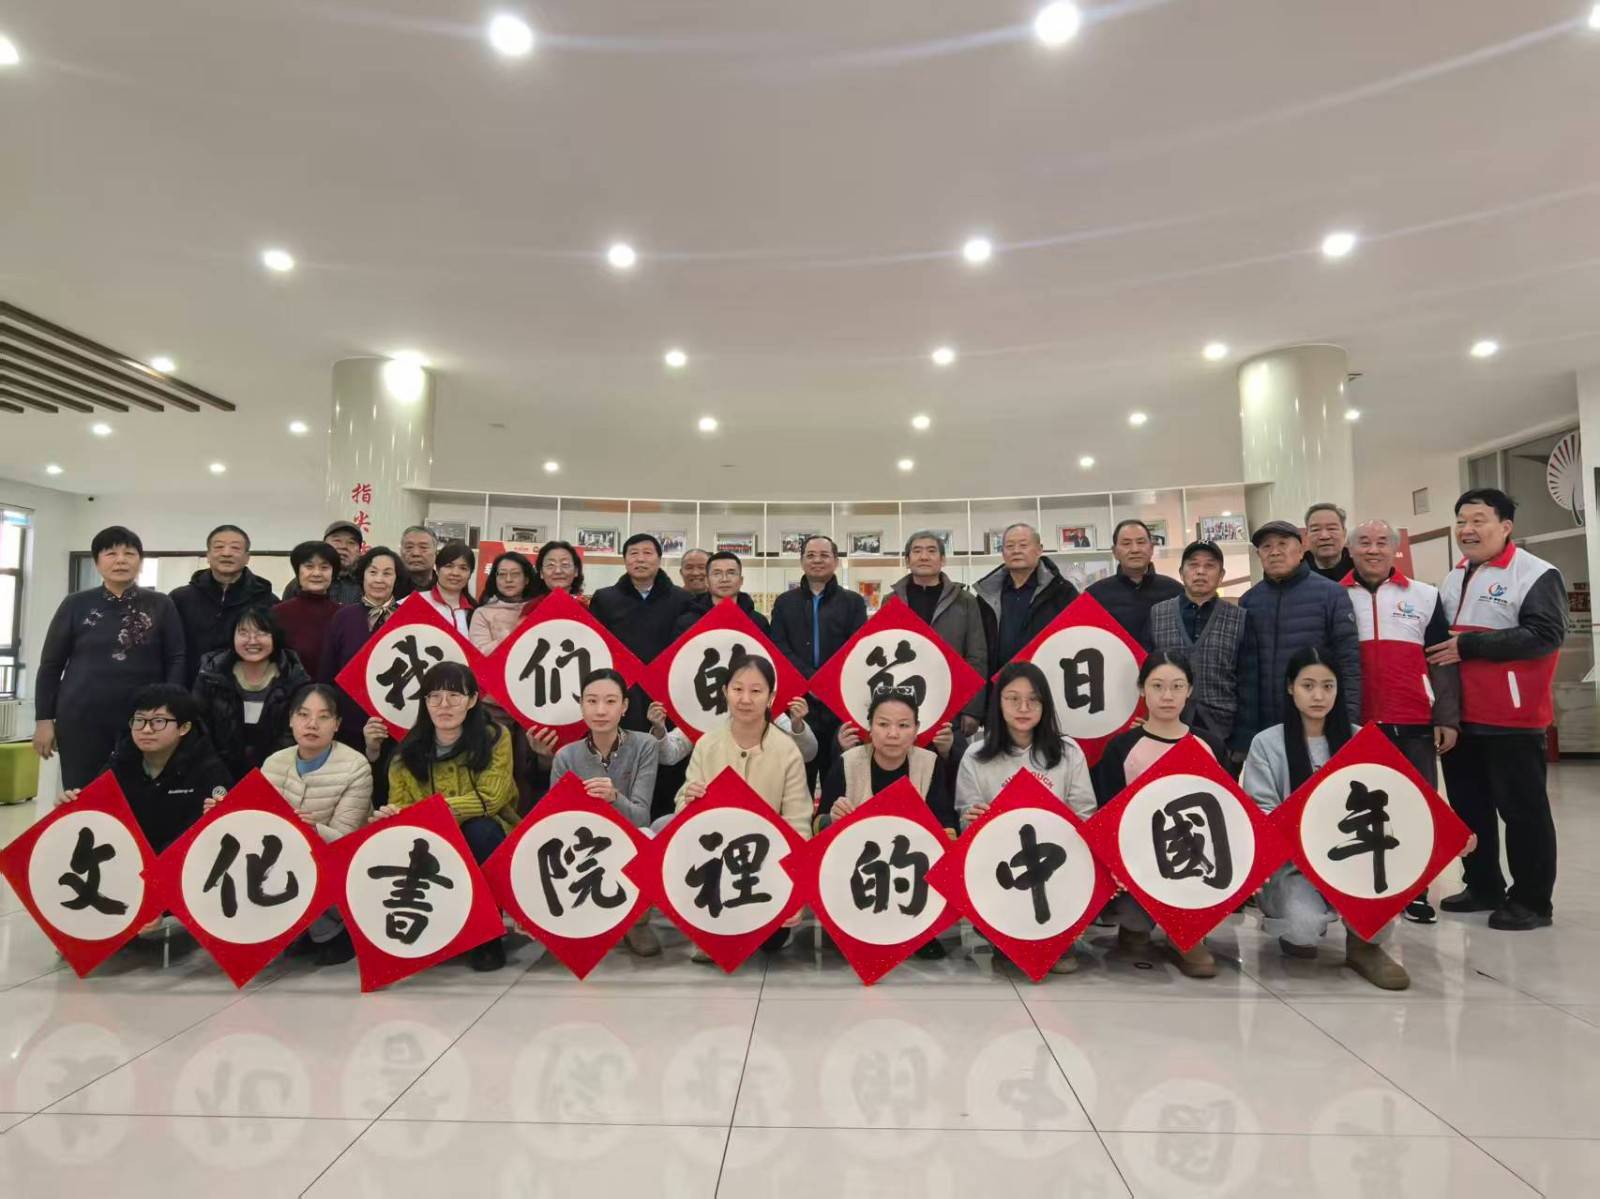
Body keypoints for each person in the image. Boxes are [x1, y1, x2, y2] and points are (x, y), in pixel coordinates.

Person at [1432, 488, 1566, 931]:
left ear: (1506, 527)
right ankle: (1483, 884)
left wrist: (1470, 645)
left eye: (1478, 520)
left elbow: (1545, 634)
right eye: (1461, 521)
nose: (1467, 530)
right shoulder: (1455, 575)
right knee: (1470, 810)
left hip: (1512, 718)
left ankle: (1532, 901)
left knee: (1523, 812)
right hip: (1462, 719)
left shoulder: (1535, 573)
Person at [1242, 648, 1409, 989]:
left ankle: (1364, 946)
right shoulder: (1267, 743)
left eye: (1327, 686)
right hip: (1293, 864)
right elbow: (1261, 811)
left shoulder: (1360, 739)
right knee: (1301, 931)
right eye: (1308, 685)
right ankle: (1292, 919)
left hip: (1355, 858)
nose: (1318, 696)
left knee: (1376, 913)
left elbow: (1396, 802)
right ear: (1290, 687)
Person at [1345, 518, 1460, 923]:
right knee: (1357, 810)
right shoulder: (1335, 596)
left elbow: (1442, 660)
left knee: (1415, 809)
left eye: (1381, 542)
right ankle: (1363, 888)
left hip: (1414, 721)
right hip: (1356, 724)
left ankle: (1415, 892)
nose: (1372, 549)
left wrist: (1446, 716)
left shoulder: (1425, 595)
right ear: (1351, 550)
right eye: (1364, 542)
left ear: (1394, 548)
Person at [954, 661, 1094, 974]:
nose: (1023, 708)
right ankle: (1004, 933)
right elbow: (966, 820)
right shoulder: (975, 755)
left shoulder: (1068, 752)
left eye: (1033, 700)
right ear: (998, 703)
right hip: (1002, 865)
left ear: (1045, 705)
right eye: (1013, 698)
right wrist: (972, 819)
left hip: (1057, 861)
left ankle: (1059, 933)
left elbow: (1085, 814)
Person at [1093, 651, 1227, 978]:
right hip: (1138, 862)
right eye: (1157, 686)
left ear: (1189, 690)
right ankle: (1136, 924)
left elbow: (1225, 818)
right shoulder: (1121, 748)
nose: (1167, 696)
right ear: (1142, 690)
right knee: (1133, 921)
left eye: (1177, 686)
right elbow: (1106, 817)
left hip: (1194, 859)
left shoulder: (1210, 745)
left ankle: (1188, 934)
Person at [377, 662, 517, 971]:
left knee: (480, 831)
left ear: (472, 699)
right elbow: (401, 809)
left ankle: (488, 934)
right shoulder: (405, 754)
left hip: (486, 830)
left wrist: (433, 812)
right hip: (429, 839)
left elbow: (492, 798)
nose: (444, 705)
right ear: (424, 702)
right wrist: (392, 815)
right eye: (434, 696)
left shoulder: (495, 737)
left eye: (454, 696)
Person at [672, 653, 811, 959]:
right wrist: (688, 800)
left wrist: (796, 890)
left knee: (770, 942)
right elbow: (683, 807)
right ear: (725, 692)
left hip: (766, 860)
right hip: (715, 858)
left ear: (771, 697)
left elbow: (798, 823)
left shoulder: (787, 750)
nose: (745, 699)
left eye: (756, 691)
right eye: (737, 689)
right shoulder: (707, 744)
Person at [33, 526, 187, 789]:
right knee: (83, 793)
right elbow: (50, 666)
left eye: (129, 553)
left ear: (140, 561)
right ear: (97, 562)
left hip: (144, 719)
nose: (121, 560)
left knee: (139, 792)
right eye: (111, 553)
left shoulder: (160, 604)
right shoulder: (75, 604)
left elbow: (177, 658)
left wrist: (171, 711)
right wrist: (44, 720)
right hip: (81, 717)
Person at [821, 687, 952, 959]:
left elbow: (946, 826)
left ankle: (919, 928)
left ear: (916, 730)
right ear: (870, 727)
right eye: (883, 724)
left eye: (903, 725)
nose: (893, 734)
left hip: (911, 872)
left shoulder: (929, 764)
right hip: (859, 870)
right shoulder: (848, 763)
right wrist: (832, 819)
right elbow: (818, 825)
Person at [256, 683, 372, 965]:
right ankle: (297, 929)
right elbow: (257, 823)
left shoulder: (355, 766)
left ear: (337, 724)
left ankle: (334, 932)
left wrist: (313, 830)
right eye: (303, 715)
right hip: (283, 859)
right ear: (291, 720)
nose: (312, 724)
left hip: (336, 862)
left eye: (323, 717)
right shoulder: (273, 763)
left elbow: (346, 840)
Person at [549, 669, 662, 957]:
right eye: (592, 701)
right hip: (582, 845)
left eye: (610, 701)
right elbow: (555, 822)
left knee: (650, 835)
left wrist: (614, 797)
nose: (600, 710)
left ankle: (638, 922)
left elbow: (641, 817)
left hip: (628, 836)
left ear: (624, 706)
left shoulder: (645, 745)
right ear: (581, 706)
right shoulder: (565, 756)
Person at [57, 684, 230, 856]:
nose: (146, 730)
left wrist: (216, 815)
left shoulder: (208, 769)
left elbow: (220, 832)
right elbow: (97, 817)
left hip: (182, 861)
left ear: (184, 728)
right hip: (127, 858)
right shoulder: (120, 762)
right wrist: (73, 807)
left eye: (158, 721)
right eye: (139, 720)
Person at [1234, 520, 1361, 753]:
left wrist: (1348, 720)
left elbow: (1349, 662)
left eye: (1283, 544)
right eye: (1266, 546)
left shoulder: (1332, 594)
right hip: (1266, 730)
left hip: (1318, 723)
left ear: (1301, 550)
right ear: (1259, 554)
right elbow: (1246, 673)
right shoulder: (1249, 601)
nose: (1274, 552)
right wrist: (1244, 737)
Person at [770, 534, 869, 787]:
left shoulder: (853, 602)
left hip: (840, 700)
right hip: (797, 701)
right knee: (796, 776)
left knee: (838, 775)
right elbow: (778, 646)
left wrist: (825, 681)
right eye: (810, 555)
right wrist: (811, 679)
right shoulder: (784, 602)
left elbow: (857, 648)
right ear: (802, 561)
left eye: (824, 555)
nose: (817, 560)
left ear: (836, 561)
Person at [192, 605, 311, 782]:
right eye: (244, 633)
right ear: (232, 636)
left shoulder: (293, 679)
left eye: (261, 633)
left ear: (274, 636)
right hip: (217, 777)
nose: (252, 640)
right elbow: (199, 730)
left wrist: (267, 776)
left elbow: (292, 736)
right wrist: (219, 776)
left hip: (277, 777)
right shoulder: (211, 676)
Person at [590, 534, 692, 731]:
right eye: (634, 553)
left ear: (659, 559)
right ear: (625, 560)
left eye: (647, 553)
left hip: (667, 688)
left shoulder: (682, 599)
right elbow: (597, 647)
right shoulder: (605, 598)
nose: (640, 559)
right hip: (622, 688)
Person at [1150, 540, 1248, 747]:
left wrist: (1242, 741)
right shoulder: (1157, 614)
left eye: (1210, 565)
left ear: (1221, 575)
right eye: (1193, 565)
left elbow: (1248, 681)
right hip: (1166, 728)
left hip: (1223, 730)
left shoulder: (1240, 618)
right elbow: (1146, 673)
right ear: (1181, 572)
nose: (1200, 571)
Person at [891, 530, 987, 735]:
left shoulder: (965, 601)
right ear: (907, 560)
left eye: (931, 551)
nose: (924, 556)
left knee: (948, 754)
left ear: (942, 560)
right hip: (900, 702)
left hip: (950, 702)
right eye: (917, 551)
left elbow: (976, 657)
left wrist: (972, 708)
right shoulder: (891, 601)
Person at [169, 523, 279, 686]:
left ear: (247, 557)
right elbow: (171, 651)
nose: (226, 553)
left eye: (235, 548)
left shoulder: (267, 601)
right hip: (189, 689)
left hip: (246, 690)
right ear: (208, 555)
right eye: (219, 547)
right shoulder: (180, 599)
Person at [321, 545, 404, 753]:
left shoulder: (409, 617)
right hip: (351, 722)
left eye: (387, 573)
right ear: (363, 576)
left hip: (398, 721)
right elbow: (327, 671)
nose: (379, 579)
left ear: (396, 578)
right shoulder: (343, 617)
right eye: (373, 572)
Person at [974, 523, 1079, 678]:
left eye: (1023, 545)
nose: (1016, 551)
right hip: (998, 683)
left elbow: (1075, 639)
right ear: (1003, 552)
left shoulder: (1062, 591)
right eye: (1009, 546)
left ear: (1039, 550)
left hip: (1045, 681)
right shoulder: (986, 595)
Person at [1086, 519, 1184, 650]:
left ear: (1151, 549)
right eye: (1126, 543)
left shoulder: (1175, 591)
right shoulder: (1094, 595)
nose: (1135, 549)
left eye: (1141, 542)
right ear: (1115, 552)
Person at [273, 540, 343, 680]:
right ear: (298, 571)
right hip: (291, 690)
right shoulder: (278, 613)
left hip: (334, 691)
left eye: (324, 567)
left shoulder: (344, 615)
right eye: (309, 566)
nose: (316, 573)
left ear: (333, 573)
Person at [676, 550, 773, 635]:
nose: (724, 579)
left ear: (741, 581)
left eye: (731, 573)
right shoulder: (688, 623)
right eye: (717, 573)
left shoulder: (758, 622)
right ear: (706, 581)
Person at [282, 520, 364, 605]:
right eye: (337, 540)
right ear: (324, 545)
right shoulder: (299, 584)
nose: (344, 546)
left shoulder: (365, 584)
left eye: (351, 543)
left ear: (359, 552)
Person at [471, 550, 538, 653]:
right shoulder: (482, 613)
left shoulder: (538, 609)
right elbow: (478, 654)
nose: (508, 579)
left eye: (515, 574)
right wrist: (510, 635)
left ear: (526, 579)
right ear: (495, 579)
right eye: (502, 574)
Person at [421, 541, 476, 636]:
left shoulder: (475, 610)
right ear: (437, 569)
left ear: (470, 574)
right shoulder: (419, 602)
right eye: (449, 566)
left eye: (463, 568)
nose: (455, 573)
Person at [1305, 503, 1355, 582]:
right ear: (1306, 535)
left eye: (1332, 528)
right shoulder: (1295, 571)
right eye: (1316, 530)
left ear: (1344, 533)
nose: (1324, 536)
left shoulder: (1360, 567)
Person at [528, 540, 587, 604]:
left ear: (576, 571)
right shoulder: (531, 607)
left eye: (565, 564)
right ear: (541, 573)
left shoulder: (583, 606)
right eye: (550, 565)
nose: (558, 571)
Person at [396, 525, 438, 599]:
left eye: (423, 547)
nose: (415, 553)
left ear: (436, 552)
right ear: (400, 552)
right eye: (409, 547)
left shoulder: (446, 589)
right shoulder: (389, 588)